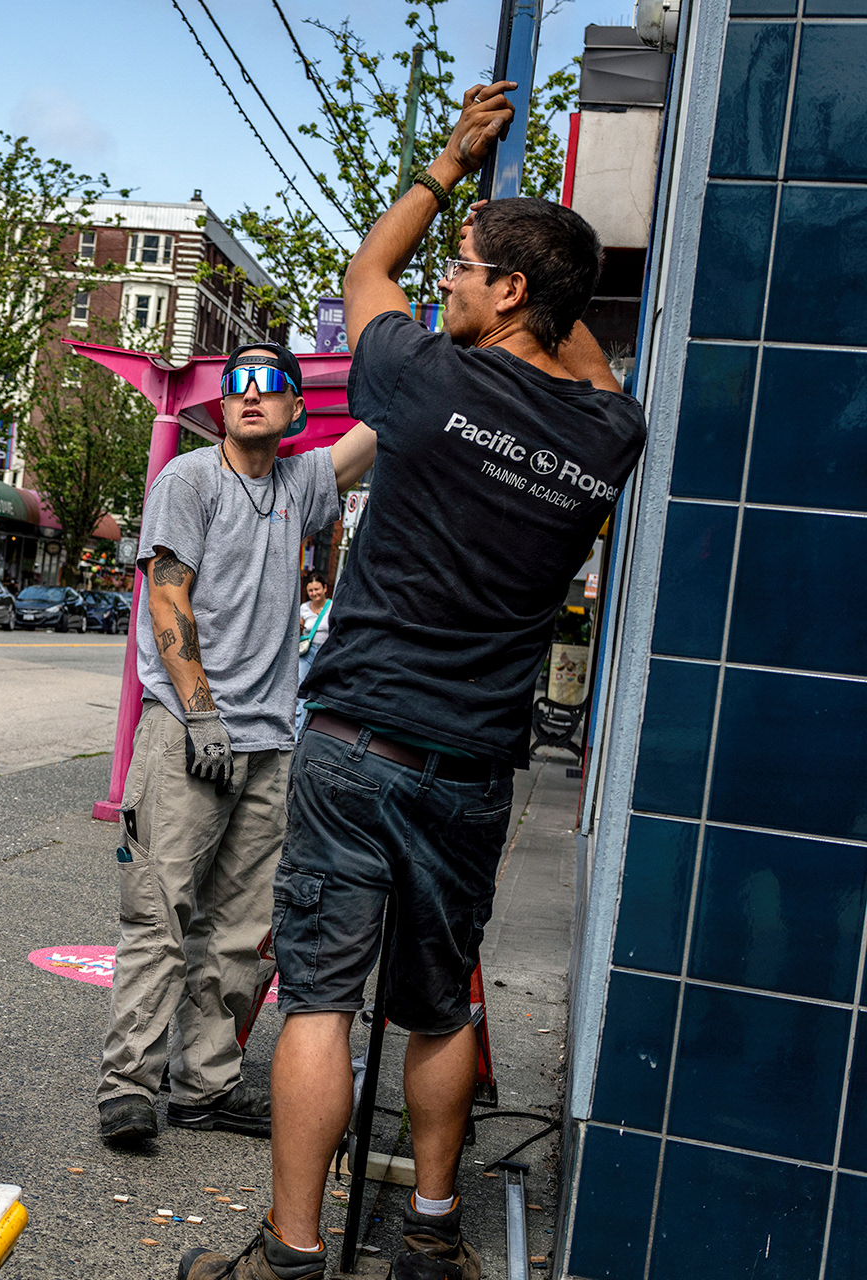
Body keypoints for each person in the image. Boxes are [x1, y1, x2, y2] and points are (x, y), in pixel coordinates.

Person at [185, 83, 646, 1280]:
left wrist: (453, 162)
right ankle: (431, 1240)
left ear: (506, 296)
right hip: (473, 766)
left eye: (468, 267)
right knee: (441, 1003)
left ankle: (290, 1258)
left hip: (357, 745)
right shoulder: (609, 433)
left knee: (324, 1000)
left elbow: (364, 265)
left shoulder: (424, 380)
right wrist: (547, 280)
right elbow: (588, 357)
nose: (442, 276)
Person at [94, 344, 376, 1145]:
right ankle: (129, 1087)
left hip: (271, 747)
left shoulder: (301, 485)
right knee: (160, 915)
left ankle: (205, 1086)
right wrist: (202, 712)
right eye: (237, 383)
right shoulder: (187, 479)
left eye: (271, 384)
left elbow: (382, 428)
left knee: (243, 930)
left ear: (294, 411)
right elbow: (167, 596)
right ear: (221, 406)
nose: (251, 394)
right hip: (189, 732)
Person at [294, 572, 331, 738]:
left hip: (324, 655)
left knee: (320, 692)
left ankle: (314, 731)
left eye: (317, 589)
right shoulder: (303, 608)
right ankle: (297, 732)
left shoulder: (332, 607)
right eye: (310, 591)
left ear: (324, 588)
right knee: (300, 691)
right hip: (306, 653)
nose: (314, 593)